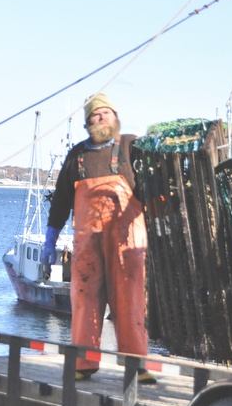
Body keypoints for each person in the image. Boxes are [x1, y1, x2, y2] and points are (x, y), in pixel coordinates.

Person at [40, 93, 154, 383]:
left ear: (116, 118)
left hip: (126, 244)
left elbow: (157, 184)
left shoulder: (132, 146)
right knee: (85, 301)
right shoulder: (77, 156)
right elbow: (61, 202)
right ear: (87, 122)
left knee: (130, 302)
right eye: (95, 114)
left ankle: (137, 366)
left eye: (106, 113)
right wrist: (49, 240)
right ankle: (84, 363)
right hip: (87, 246)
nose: (101, 117)